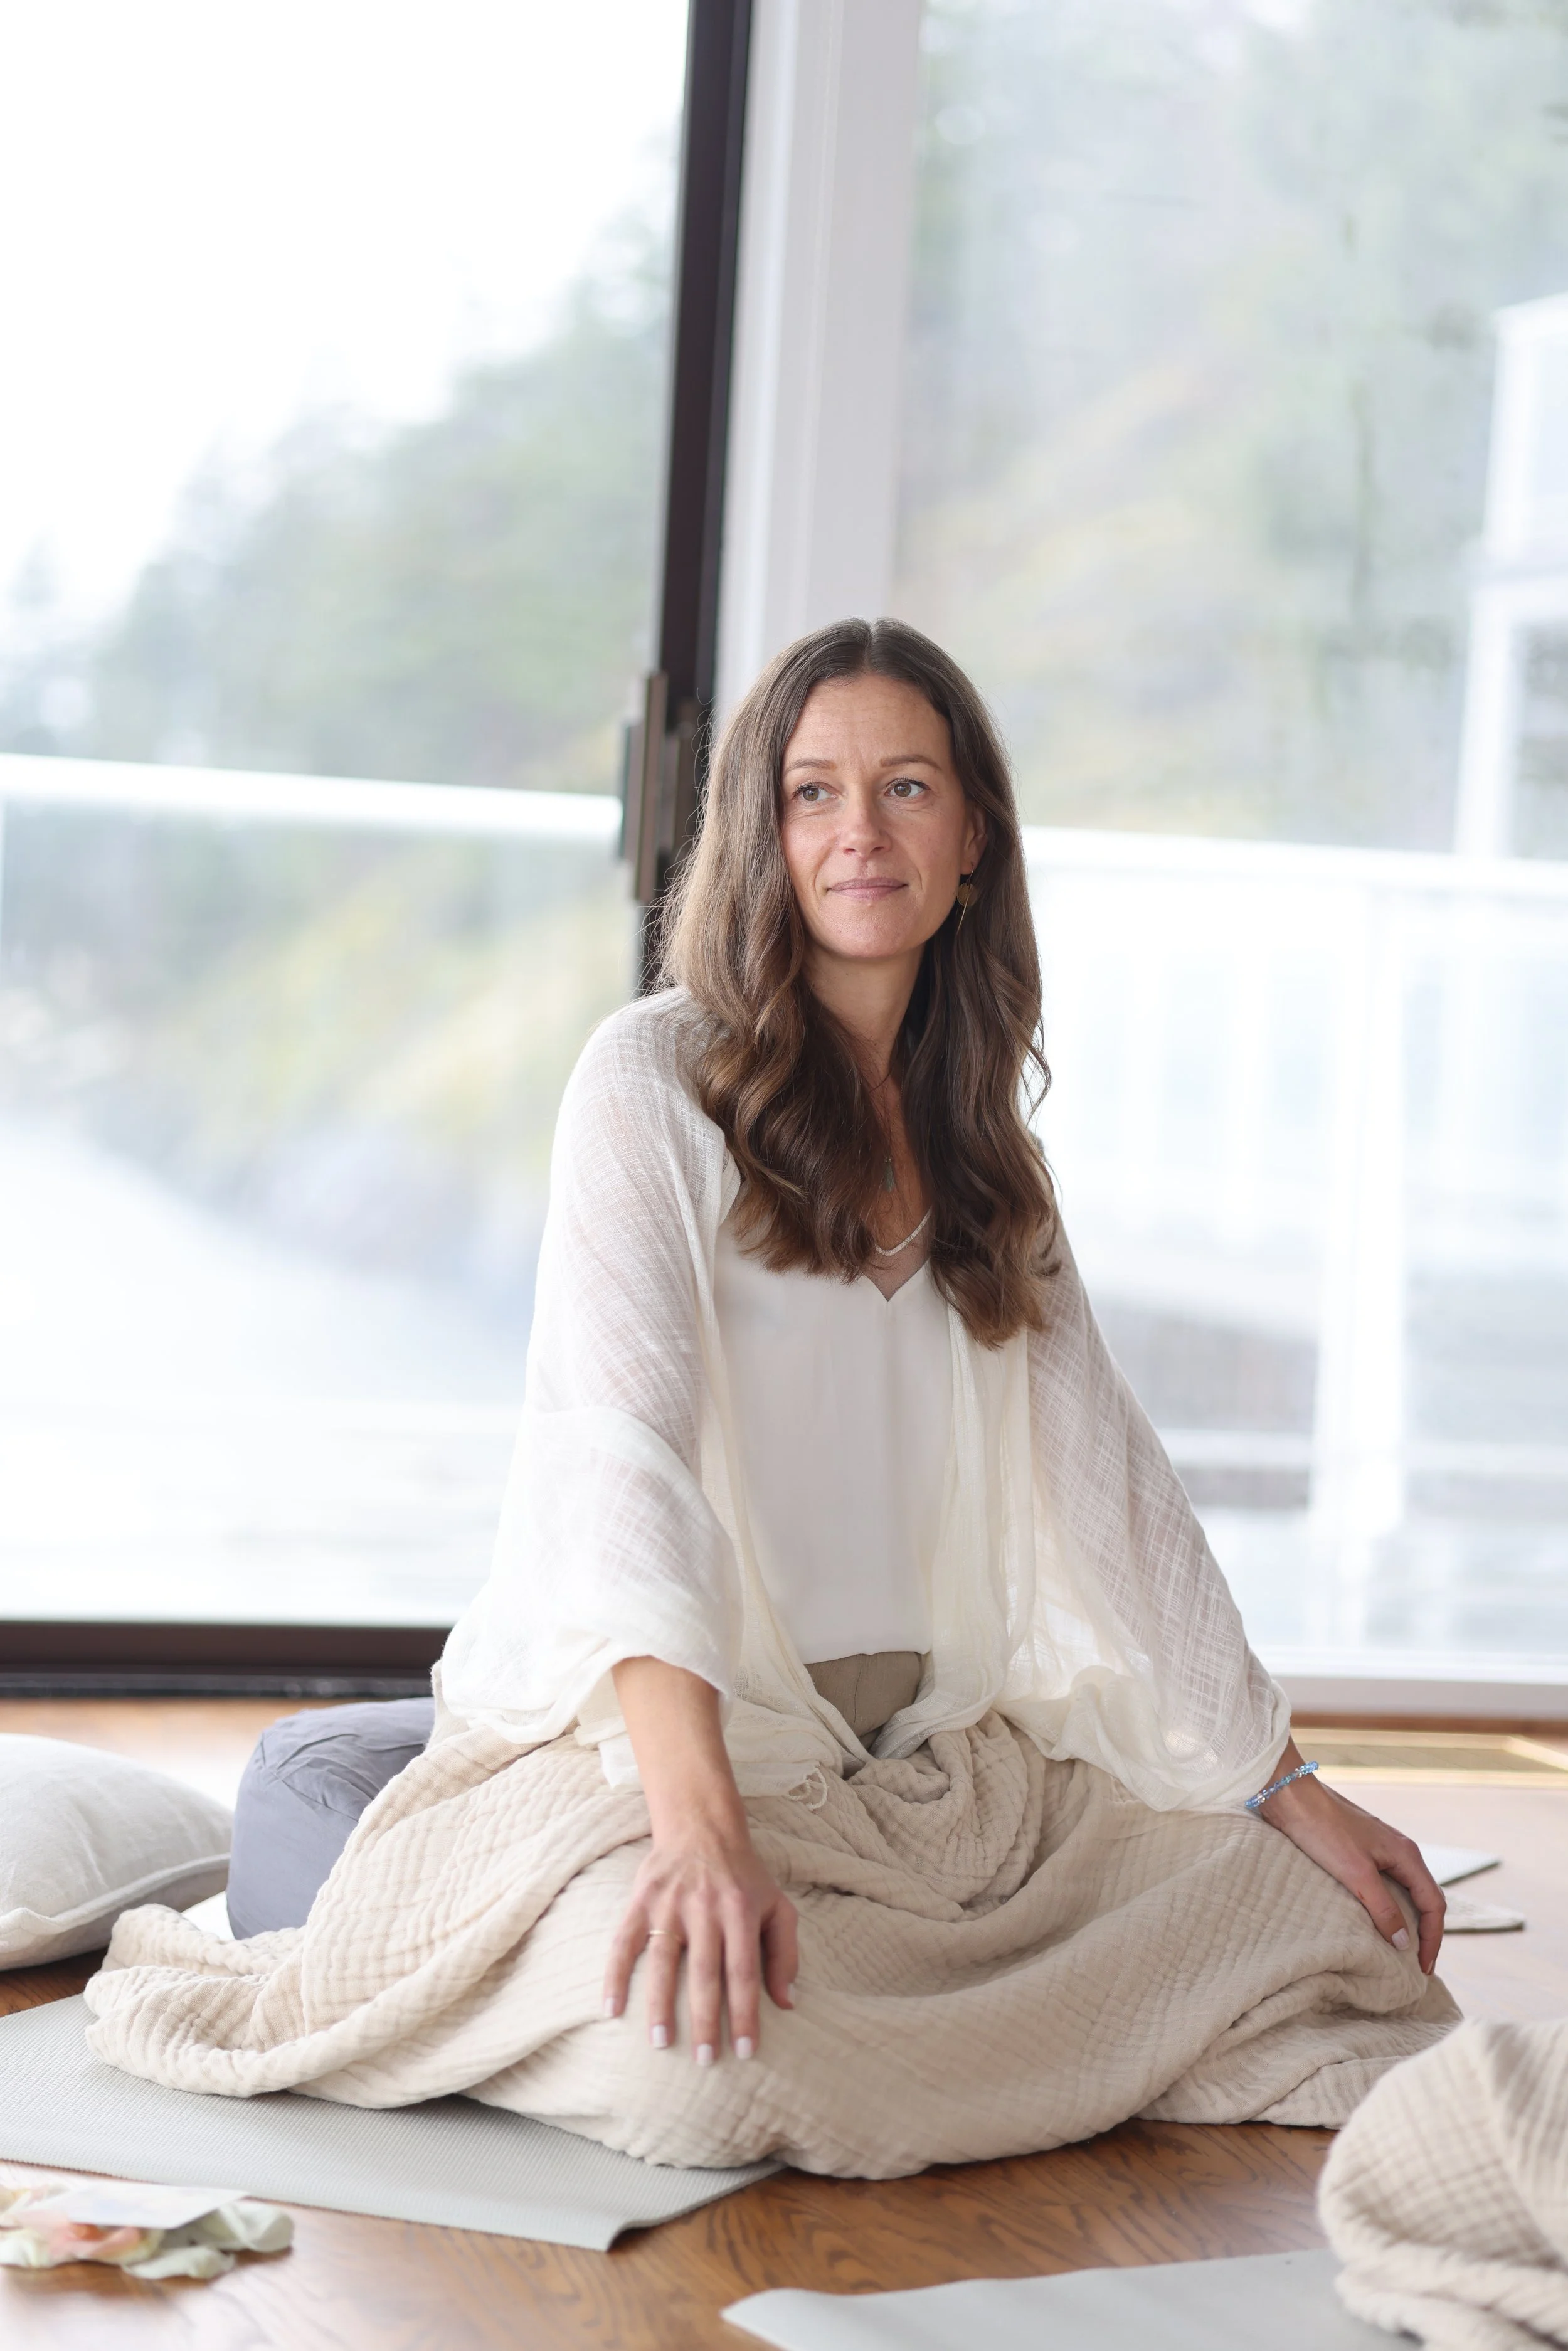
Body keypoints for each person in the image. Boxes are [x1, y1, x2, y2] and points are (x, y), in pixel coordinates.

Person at [154, 618, 1454, 2175]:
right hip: (676, 1754)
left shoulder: (988, 1156)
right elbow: (619, 1464)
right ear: (761, 838)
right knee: (703, 2072)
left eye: (906, 786)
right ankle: (946, 2032)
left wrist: (1284, 1783)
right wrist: (699, 1835)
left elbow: (1111, 1484)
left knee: (1327, 1933)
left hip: (922, 1774)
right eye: (812, 790)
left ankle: (939, 2035)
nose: (860, 829)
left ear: (971, 838)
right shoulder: (648, 1082)